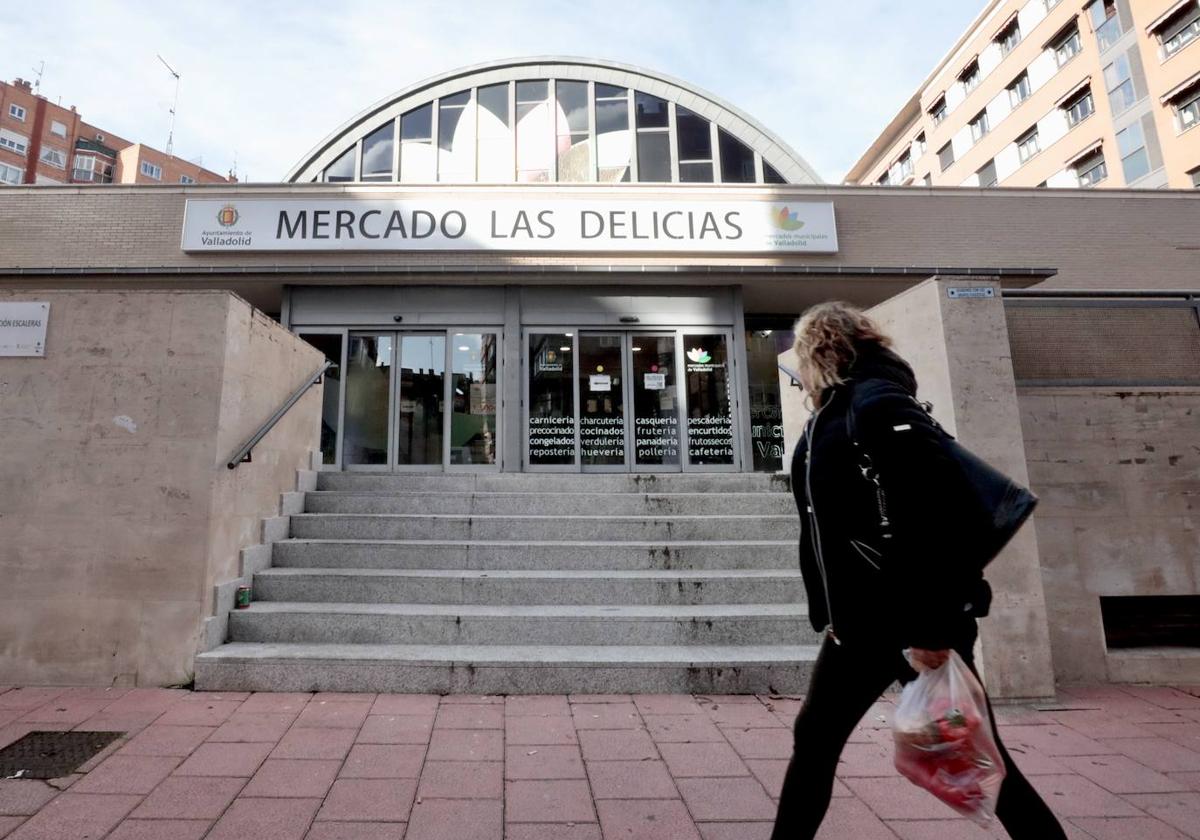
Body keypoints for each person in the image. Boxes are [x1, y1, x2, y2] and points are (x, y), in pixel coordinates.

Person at [771, 302, 1066, 840]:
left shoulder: (878, 403)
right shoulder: (840, 409)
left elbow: (938, 515)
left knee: (985, 758)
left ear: (821, 348)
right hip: (860, 624)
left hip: (911, 623)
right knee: (814, 741)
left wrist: (932, 628)